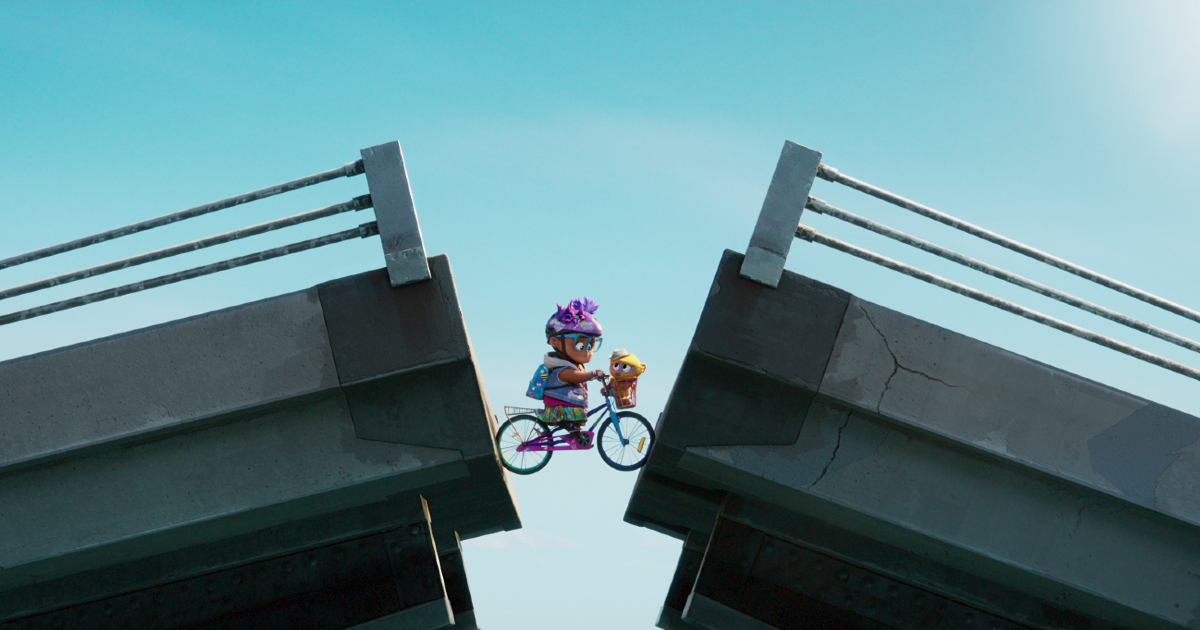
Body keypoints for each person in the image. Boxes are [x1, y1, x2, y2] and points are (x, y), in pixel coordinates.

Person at [541, 298, 606, 446]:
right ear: (555, 342)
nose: (588, 351)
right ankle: (572, 432)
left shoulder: (574, 365)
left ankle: (573, 431)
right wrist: (592, 374)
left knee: (577, 419)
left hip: (571, 402)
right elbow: (572, 376)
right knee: (573, 419)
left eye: (591, 344)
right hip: (560, 405)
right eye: (581, 344)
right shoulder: (560, 367)